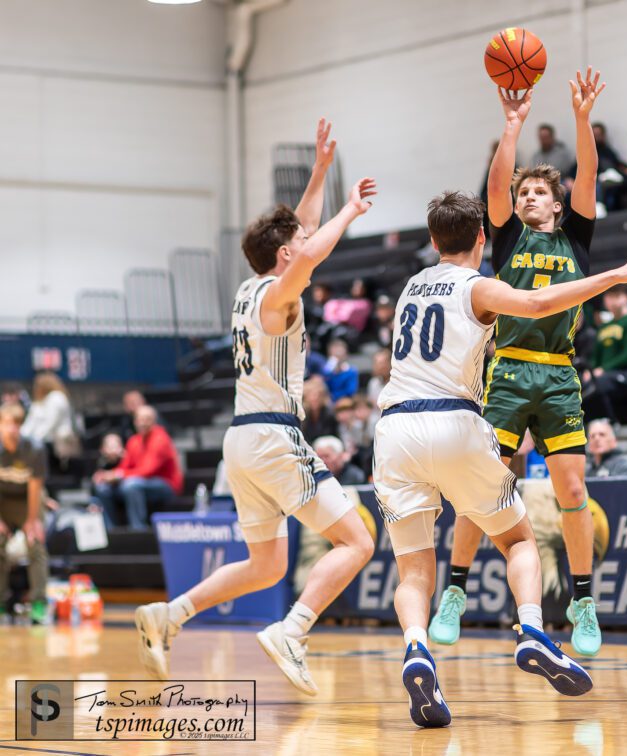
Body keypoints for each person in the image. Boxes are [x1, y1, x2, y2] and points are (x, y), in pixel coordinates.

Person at [373, 189, 627, 727]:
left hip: (394, 430)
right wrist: (612, 277)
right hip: (454, 420)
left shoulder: (410, 288)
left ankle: (417, 648)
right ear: (482, 239)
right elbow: (535, 304)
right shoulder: (479, 284)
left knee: (413, 570)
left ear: (433, 240)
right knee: (517, 540)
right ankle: (531, 629)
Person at [134, 119, 377, 696]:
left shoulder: (250, 288)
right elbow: (311, 247)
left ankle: (173, 615)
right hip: (274, 437)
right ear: (286, 253)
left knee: (267, 564)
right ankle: (293, 630)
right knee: (358, 542)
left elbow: (302, 234)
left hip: (241, 441)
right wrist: (350, 212)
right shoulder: (278, 295)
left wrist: (319, 170)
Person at [430, 68, 614, 659]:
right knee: (483, 488)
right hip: (507, 370)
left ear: (558, 205)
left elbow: (587, 173)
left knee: (572, 487)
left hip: (558, 372)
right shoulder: (506, 241)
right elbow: (495, 186)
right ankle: (453, 590)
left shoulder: (576, 240)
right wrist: (512, 126)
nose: (528, 196)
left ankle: (582, 601)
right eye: (523, 191)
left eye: (538, 192)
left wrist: (582, 120)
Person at [93, 405, 182, 530]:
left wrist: (118, 475)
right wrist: (108, 475)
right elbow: (124, 466)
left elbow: (148, 470)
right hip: (138, 482)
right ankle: (111, 530)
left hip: (165, 485)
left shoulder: (161, 439)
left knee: (131, 485)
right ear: (135, 421)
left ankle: (138, 528)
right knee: (103, 487)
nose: (143, 423)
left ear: (154, 421)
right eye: (140, 419)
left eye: (147, 419)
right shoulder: (133, 441)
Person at [0, 402, 49, 624]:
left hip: (27, 500)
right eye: (7, 423)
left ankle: (38, 603)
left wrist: (31, 521)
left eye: (16, 424)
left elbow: (35, 488)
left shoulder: (34, 449)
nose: (12, 429)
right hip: (3, 500)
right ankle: (1, 602)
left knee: (35, 543)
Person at [582, 285, 627, 424]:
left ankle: (610, 422)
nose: (612, 301)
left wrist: (603, 369)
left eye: (617, 296)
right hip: (606, 375)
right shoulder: (604, 326)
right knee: (582, 381)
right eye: (609, 297)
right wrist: (591, 370)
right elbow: (595, 356)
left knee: (598, 383)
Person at [20, 372, 77, 466]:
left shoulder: (57, 397)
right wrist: (21, 438)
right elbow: (31, 423)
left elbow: (50, 423)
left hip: (57, 445)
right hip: (44, 442)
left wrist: (35, 440)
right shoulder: (40, 401)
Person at [91, 433, 124, 527]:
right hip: (107, 494)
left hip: (123, 490)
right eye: (109, 446)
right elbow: (96, 480)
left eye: (116, 446)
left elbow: (126, 473)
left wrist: (111, 476)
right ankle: (109, 529)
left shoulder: (126, 459)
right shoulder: (101, 463)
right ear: (102, 449)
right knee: (96, 497)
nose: (113, 450)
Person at [301, 375, 336, 444]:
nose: (314, 398)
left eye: (317, 395)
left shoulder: (329, 414)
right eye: (311, 395)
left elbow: (332, 436)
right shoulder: (303, 415)